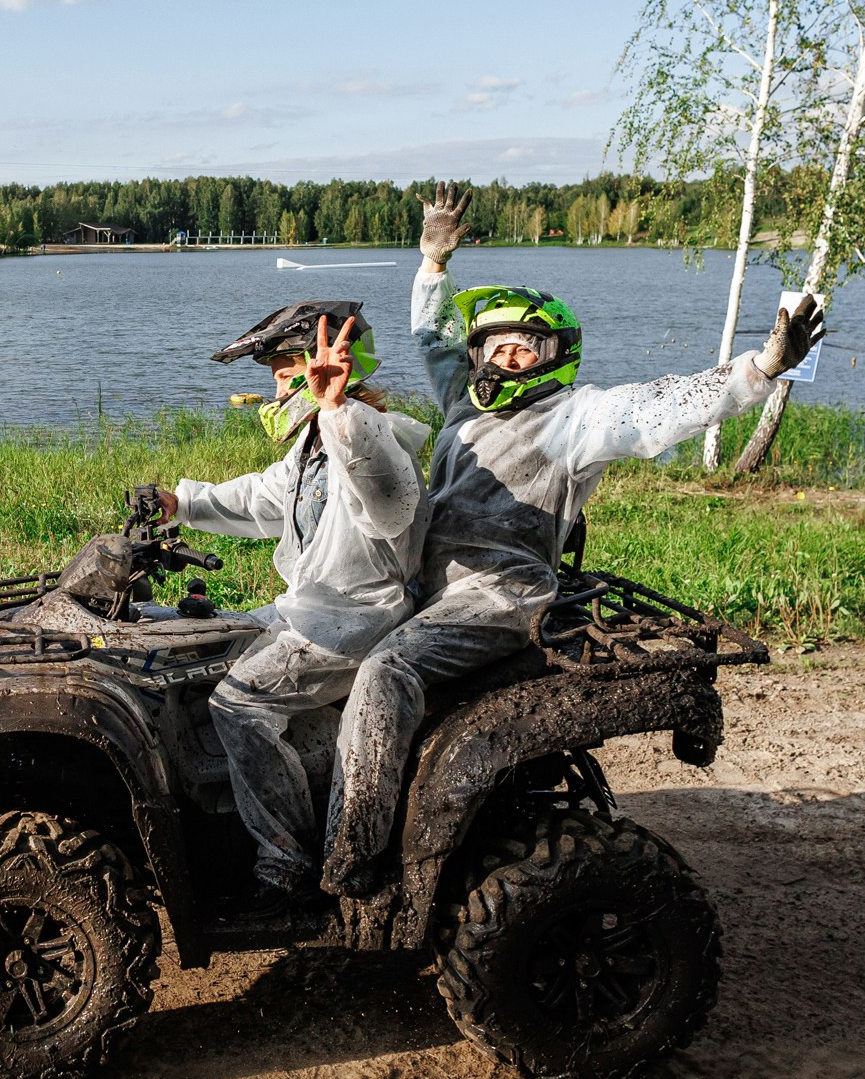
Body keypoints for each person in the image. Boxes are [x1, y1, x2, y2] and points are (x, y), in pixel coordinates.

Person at [321, 187, 825, 896]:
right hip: (433, 593)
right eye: (492, 347)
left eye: (520, 350)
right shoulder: (463, 405)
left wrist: (761, 368)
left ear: (552, 357)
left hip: (500, 596)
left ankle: (354, 859)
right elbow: (432, 339)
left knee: (384, 674)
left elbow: (664, 405)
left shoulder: (574, 418)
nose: (502, 361)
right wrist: (432, 262)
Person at [157, 300, 433, 922]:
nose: (277, 388)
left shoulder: (376, 436)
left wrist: (336, 409)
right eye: (277, 375)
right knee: (198, 645)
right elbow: (264, 497)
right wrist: (181, 502)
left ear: (331, 368)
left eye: (286, 371)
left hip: (356, 621)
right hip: (309, 608)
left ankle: (286, 863)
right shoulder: (312, 442)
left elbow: (389, 501)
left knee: (239, 702)